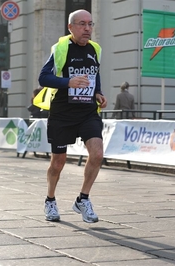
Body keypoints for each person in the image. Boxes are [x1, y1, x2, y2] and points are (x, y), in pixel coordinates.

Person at [38, 9, 107, 223]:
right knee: (58, 162)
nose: (87, 28)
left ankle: (83, 199)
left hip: (87, 111)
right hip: (62, 113)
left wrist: (98, 93)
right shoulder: (60, 48)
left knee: (97, 154)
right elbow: (43, 77)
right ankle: (50, 199)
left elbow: (95, 75)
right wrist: (67, 82)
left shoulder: (95, 49)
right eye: (81, 24)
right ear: (71, 27)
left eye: (90, 24)